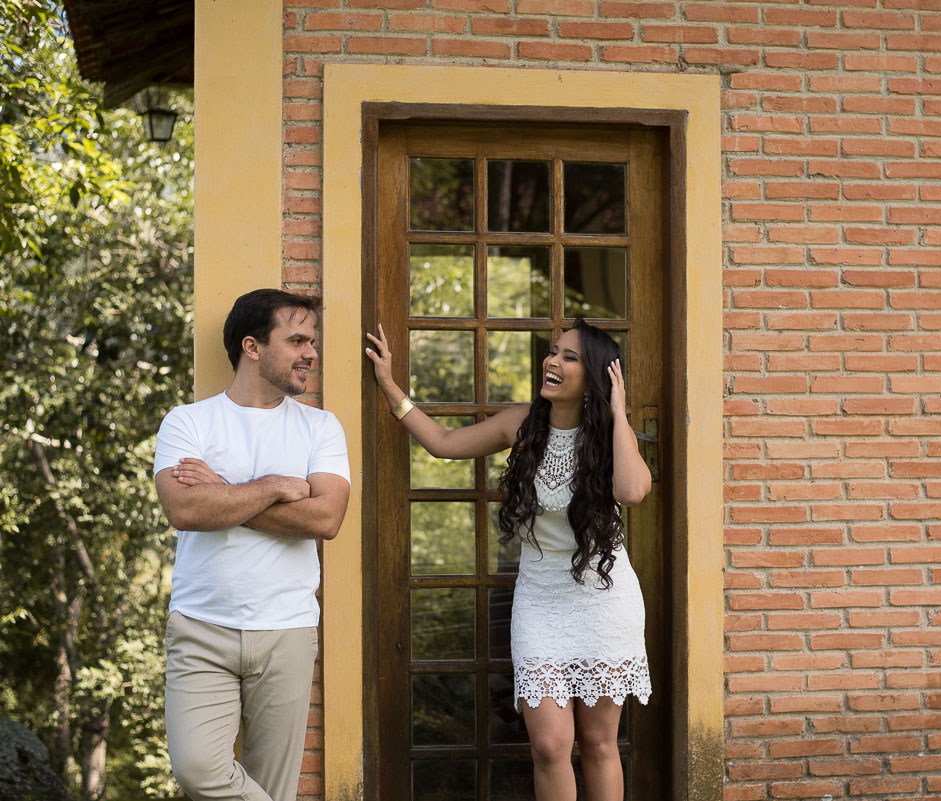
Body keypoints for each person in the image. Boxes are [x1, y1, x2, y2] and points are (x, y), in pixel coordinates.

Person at [366, 318, 652, 801]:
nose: (552, 361)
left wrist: (617, 410)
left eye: (569, 357)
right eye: (553, 351)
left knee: (600, 743)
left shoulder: (608, 438)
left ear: (594, 379)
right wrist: (390, 386)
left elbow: (632, 491)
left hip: (604, 602)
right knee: (548, 745)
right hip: (539, 602)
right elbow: (443, 444)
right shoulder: (520, 424)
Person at [153, 289, 351, 801]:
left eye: (312, 341)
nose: (311, 353)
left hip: (287, 630)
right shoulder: (187, 422)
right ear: (253, 346)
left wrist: (223, 490)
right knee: (198, 771)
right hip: (201, 627)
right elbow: (185, 510)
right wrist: (274, 487)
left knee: (273, 789)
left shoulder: (321, 427)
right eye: (298, 341)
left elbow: (326, 518)